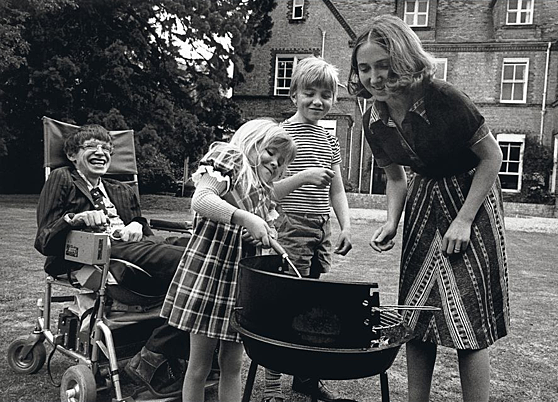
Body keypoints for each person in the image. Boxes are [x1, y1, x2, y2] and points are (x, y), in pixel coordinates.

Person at [347, 15, 509, 402]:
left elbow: (491, 158)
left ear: (403, 59)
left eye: (382, 65)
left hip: (470, 196)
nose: (374, 78)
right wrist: (391, 220)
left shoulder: (443, 97)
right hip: (422, 201)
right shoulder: (372, 115)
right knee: (416, 318)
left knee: (469, 320)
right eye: (364, 68)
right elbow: (396, 177)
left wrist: (464, 220)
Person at [34, 124, 214, 399]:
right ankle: (156, 355)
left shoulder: (120, 189)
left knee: (207, 253)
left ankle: (157, 355)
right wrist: (76, 220)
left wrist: (137, 226)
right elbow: (45, 239)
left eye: (106, 148)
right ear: (72, 154)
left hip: (135, 246)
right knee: (200, 263)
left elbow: (142, 226)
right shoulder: (63, 179)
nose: (101, 152)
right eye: (91, 147)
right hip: (99, 253)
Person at [160, 119, 297, 402]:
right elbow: (202, 200)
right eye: (270, 152)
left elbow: (255, 229)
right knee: (199, 367)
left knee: (232, 366)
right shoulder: (229, 159)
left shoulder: (262, 191)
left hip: (241, 286)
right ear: (252, 140)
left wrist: (259, 233)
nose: (275, 162)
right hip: (209, 277)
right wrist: (245, 218)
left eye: (281, 161)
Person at [262, 56, 353, 402]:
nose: (318, 101)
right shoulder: (280, 135)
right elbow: (266, 189)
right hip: (288, 228)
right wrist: (303, 176)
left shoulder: (329, 140)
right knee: (280, 305)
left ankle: (305, 379)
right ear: (293, 95)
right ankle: (272, 384)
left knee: (311, 307)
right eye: (309, 93)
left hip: (320, 229)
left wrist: (346, 226)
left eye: (326, 95)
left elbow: (337, 189)